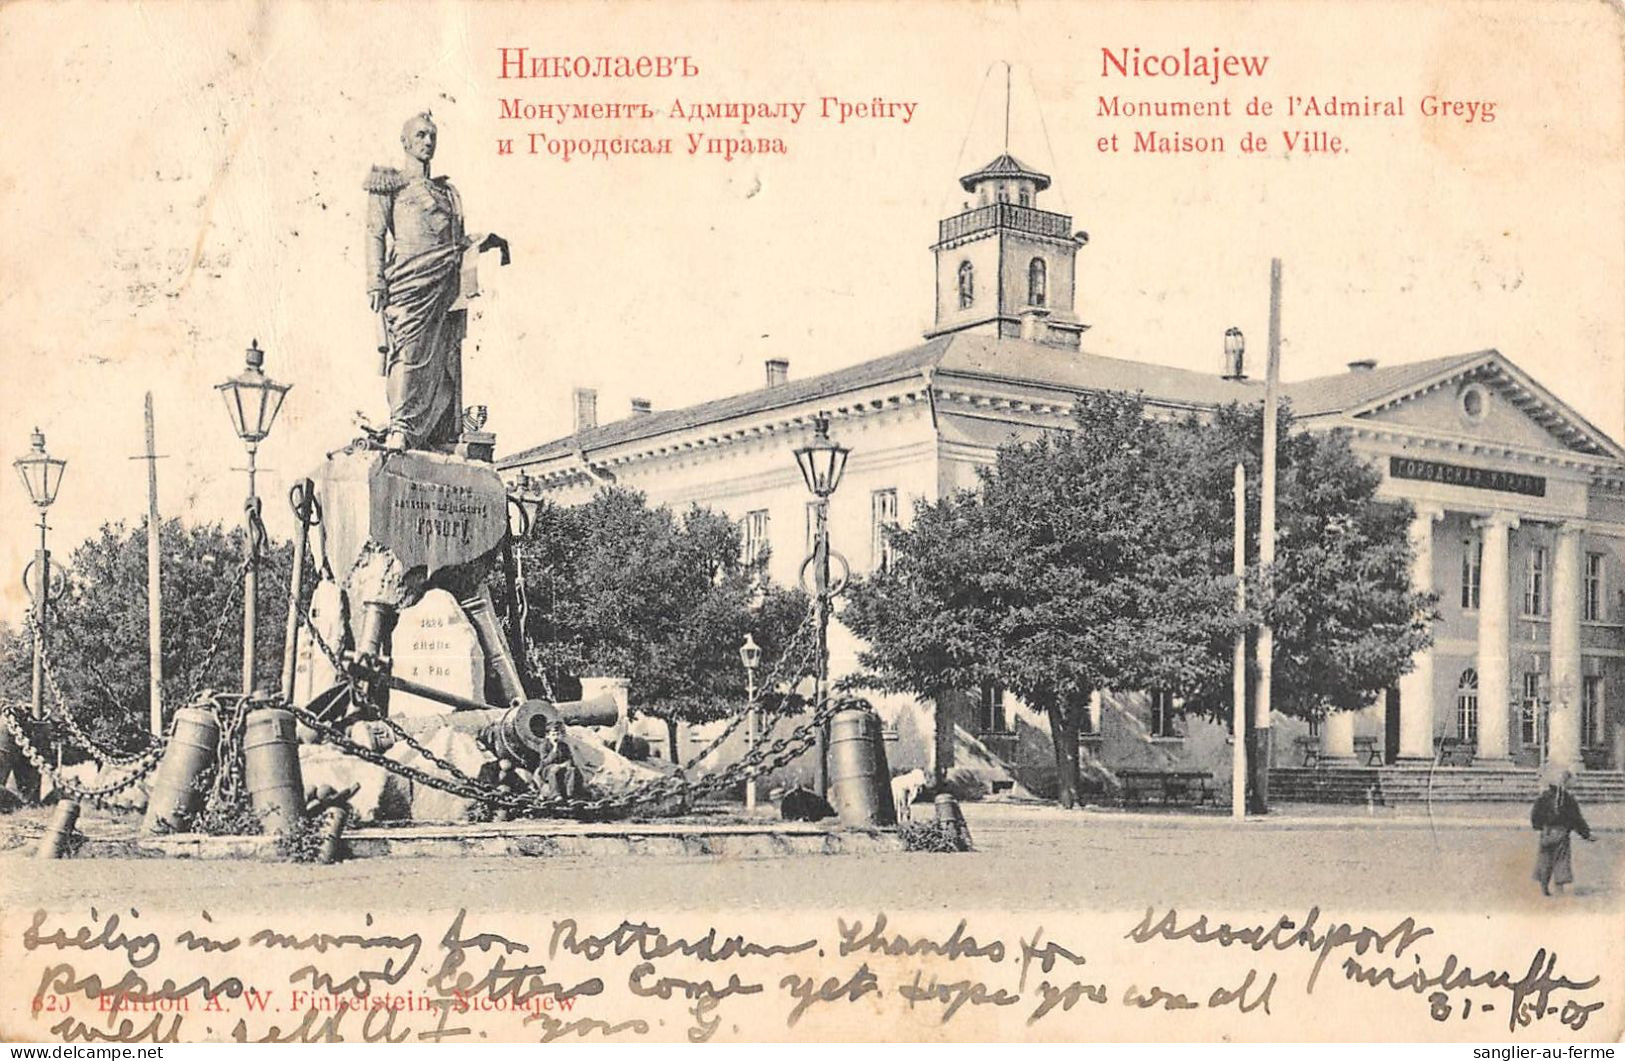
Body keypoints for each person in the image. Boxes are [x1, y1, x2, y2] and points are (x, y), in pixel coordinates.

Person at [365, 112, 493, 451]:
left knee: (442, 357)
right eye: (420, 135)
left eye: (432, 135)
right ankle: (400, 426)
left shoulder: (447, 193)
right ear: (405, 141)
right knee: (407, 350)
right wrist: (375, 280)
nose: (427, 141)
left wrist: (486, 241)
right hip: (407, 282)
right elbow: (374, 234)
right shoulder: (387, 183)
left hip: (445, 285)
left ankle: (434, 432)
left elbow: (458, 240)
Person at [1531, 764, 1594, 896]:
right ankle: (1559, 889)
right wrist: (1586, 834)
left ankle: (1544, 887)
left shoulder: (1544, 797)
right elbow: (1577, 819)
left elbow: (1535, 814)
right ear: (1566, 782)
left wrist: (1539, 827)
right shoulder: (1569, 800)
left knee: (1544, 859)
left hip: (1546, 832)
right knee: (1561, 860)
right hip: (1562, 833)